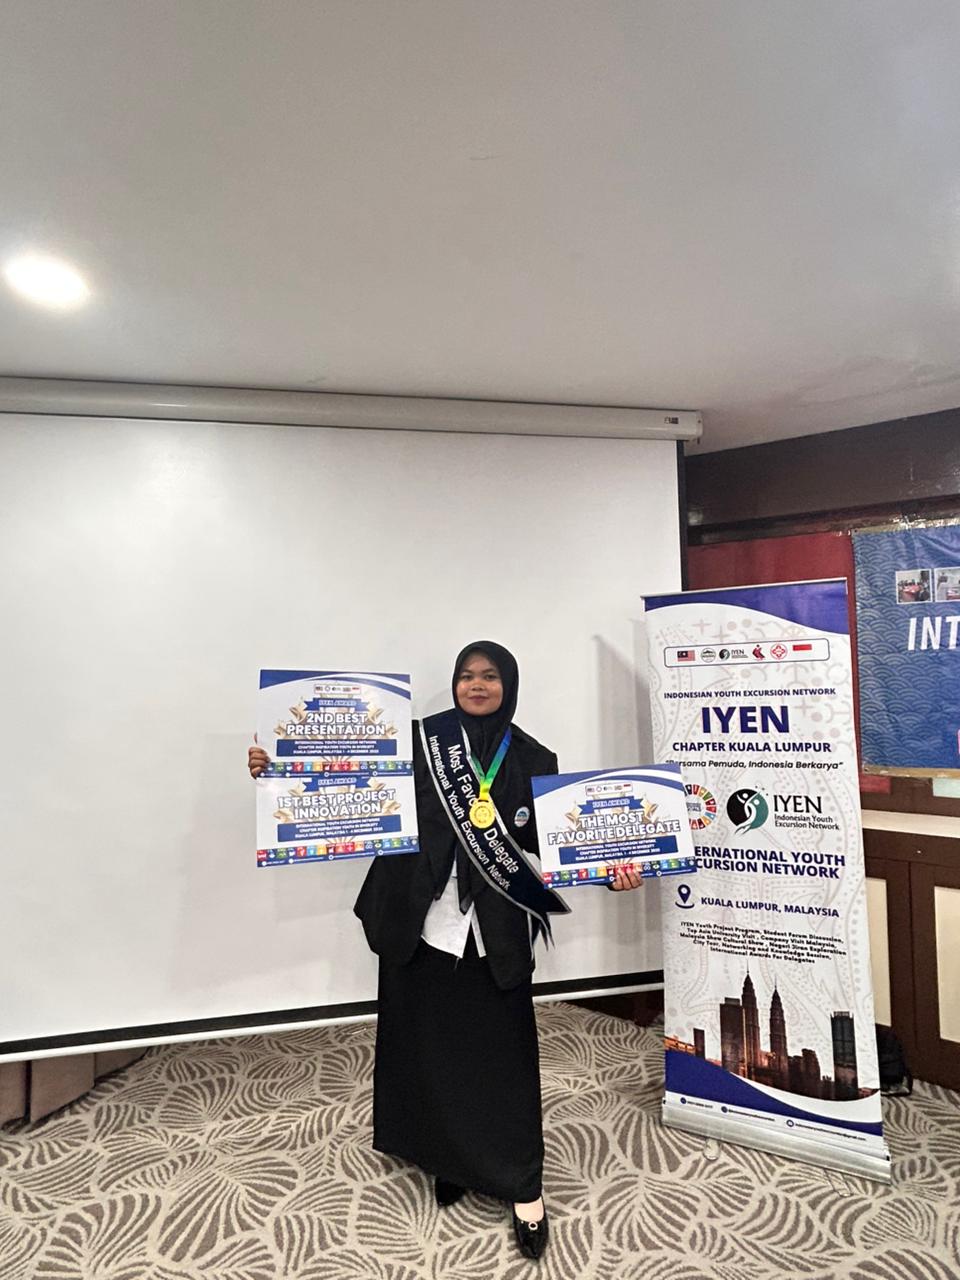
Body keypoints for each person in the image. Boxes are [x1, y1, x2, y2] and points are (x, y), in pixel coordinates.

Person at [248, 641, 642, 1262]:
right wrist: (275, 765)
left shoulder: (534, 758)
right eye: (466, 675)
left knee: (503, 1055)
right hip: (420, 916)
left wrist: (613, 866)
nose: (477, 685)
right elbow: (343, 778)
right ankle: (451, 1158)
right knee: (430, 1047)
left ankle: (524, 1186)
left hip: (494, 928)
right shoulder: (418, 740)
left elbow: (559, 839)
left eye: (490, 676)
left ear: (509, 685)